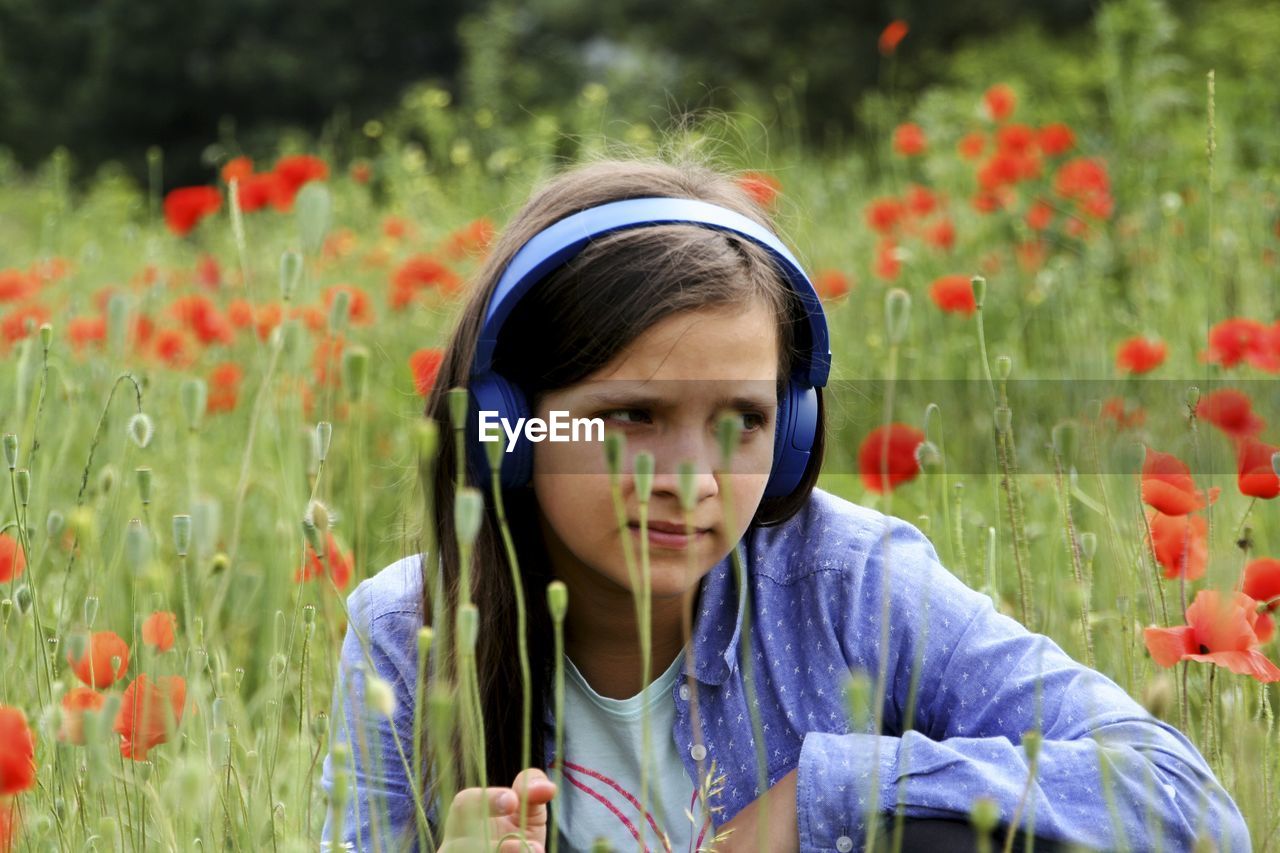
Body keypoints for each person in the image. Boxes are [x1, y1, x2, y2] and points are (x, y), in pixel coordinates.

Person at [319, 156, 1250, 853]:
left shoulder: (851, 585)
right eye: (632, 416)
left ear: (794, 432)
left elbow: (1184, 800)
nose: (694, 476)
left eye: (745, 419)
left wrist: (830, 794)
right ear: (507, 426)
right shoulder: (411, 636)